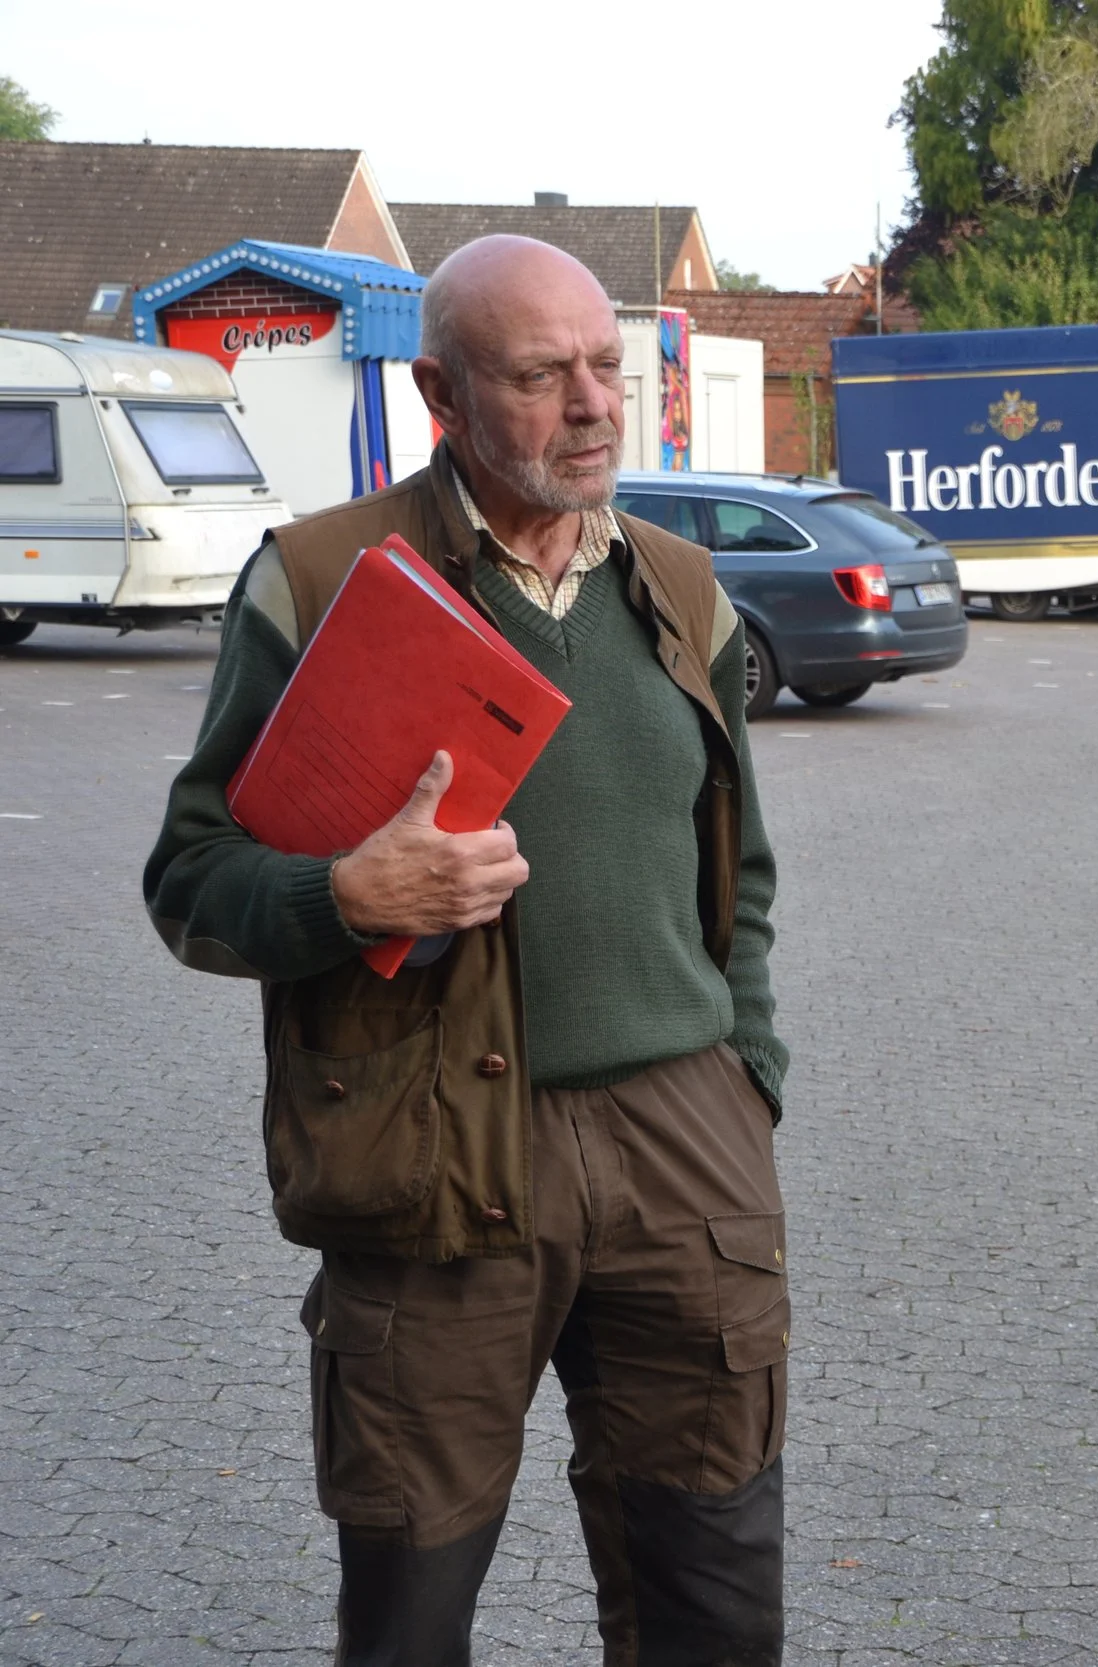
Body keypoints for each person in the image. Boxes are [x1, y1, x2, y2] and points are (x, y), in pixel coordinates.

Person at [143, 236, 790, 1665]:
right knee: (411, 1616)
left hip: (686, 1152)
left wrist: (745, 1077)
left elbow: (736, 868)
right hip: (432, 1151)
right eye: (541, 375)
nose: (594, 404)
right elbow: (189, 880)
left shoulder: (683, 590)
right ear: (440, 393)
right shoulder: (320, 581)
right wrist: (347, 894)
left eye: (606, 365)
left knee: (715, 1599)